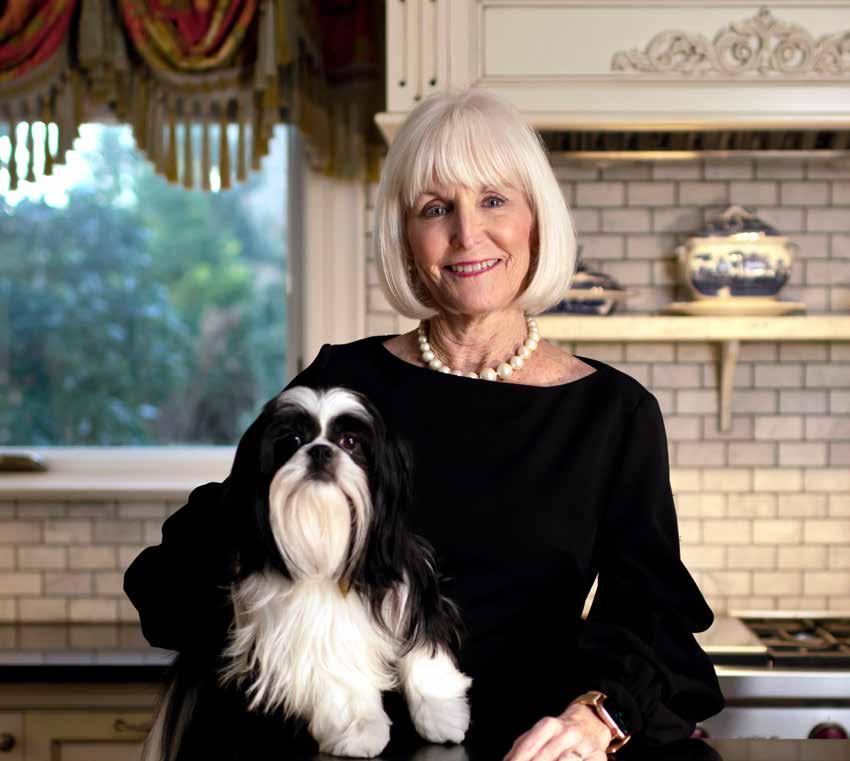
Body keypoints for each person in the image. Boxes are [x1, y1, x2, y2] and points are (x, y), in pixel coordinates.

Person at [124, 87, 724, 761]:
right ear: (407, 241)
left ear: (536, 221)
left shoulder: (612, 413)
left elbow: (649, 612)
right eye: (435, 209)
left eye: (493, 200)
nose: (467, 233)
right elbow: (197, 566)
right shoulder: (340, 385)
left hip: (516, 748)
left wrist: (595, 717)